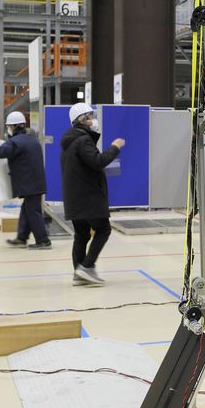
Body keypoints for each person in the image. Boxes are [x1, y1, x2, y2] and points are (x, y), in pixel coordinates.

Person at [60, 103, 124, 285]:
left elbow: (86, 166)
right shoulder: (83, 140)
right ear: (82, 120)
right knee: (103, 230)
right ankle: (86, 267)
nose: (93, 120)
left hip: (75, 199)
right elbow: (98, 161)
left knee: (81, 235)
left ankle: (79, 274)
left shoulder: (70, 142)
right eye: (90, 116)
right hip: (88, 198)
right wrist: (115, 147)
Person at [0, 110, 50, 249]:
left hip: (30, 184)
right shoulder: (32, 140)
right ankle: (22, 238)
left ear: (14, 126)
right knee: (27, 210)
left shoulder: (16, 142)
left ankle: (43, 240)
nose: (8, 129)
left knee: (33, 212)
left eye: (9, 126)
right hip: (35, 182)